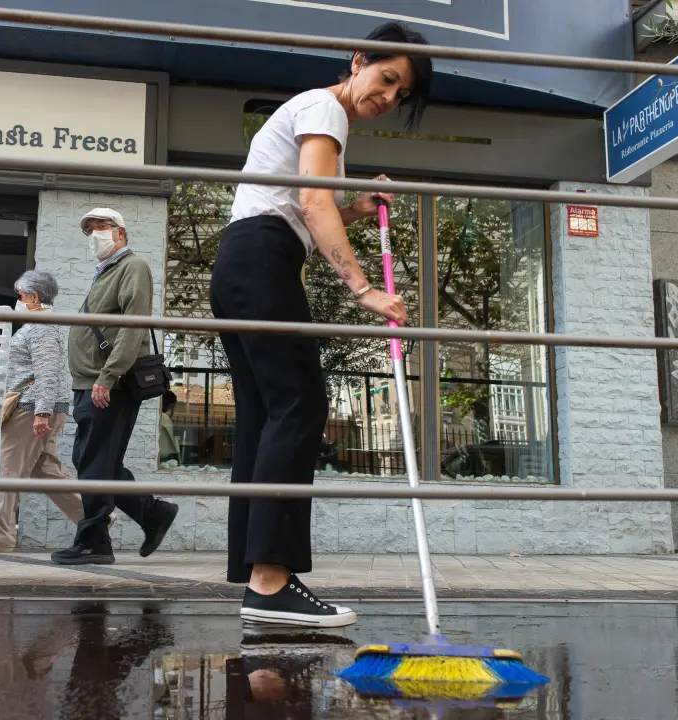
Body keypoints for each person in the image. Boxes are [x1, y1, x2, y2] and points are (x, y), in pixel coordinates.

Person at [209, 21, 433, 627]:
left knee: (266, 414)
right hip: (263, 259)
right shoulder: (323, 108)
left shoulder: (315, 116)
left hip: (244, 260)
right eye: (386, 78)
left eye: (400, 94)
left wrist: (354, 209)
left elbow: (304, 208)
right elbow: (309, 203)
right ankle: (271, 580)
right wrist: (364, 289)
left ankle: (260, 580)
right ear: (358, 61)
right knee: (300, 403)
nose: (387, 97)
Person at [52, 208, 179, 565]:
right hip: (91, 381)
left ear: (120, 233)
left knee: (94, 462)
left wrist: (107, 377)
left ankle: (94, 542)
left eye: (102, 227)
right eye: (89, 230)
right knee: (92, 460)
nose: (95, 234)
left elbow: (132, 326)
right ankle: (152, 512)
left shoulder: (132, 267)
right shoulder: (106, 272)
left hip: (108, 383)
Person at [0, 270, 84, 551]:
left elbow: (48, 372)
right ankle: (94, 519)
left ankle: (1, 538)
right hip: (37, 407)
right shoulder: (41, 325)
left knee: (8, 474)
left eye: (20, 295)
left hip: (30, 408)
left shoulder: (41, 327)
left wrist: (41, 413)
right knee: (45, 471)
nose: (18, 300)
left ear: (33, 296)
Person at [158, 390, 181, 464]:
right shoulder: (165, 418)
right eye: (173, 407)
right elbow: (172, 448)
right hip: (164, 456)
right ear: (170, 406)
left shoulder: (159, 416)